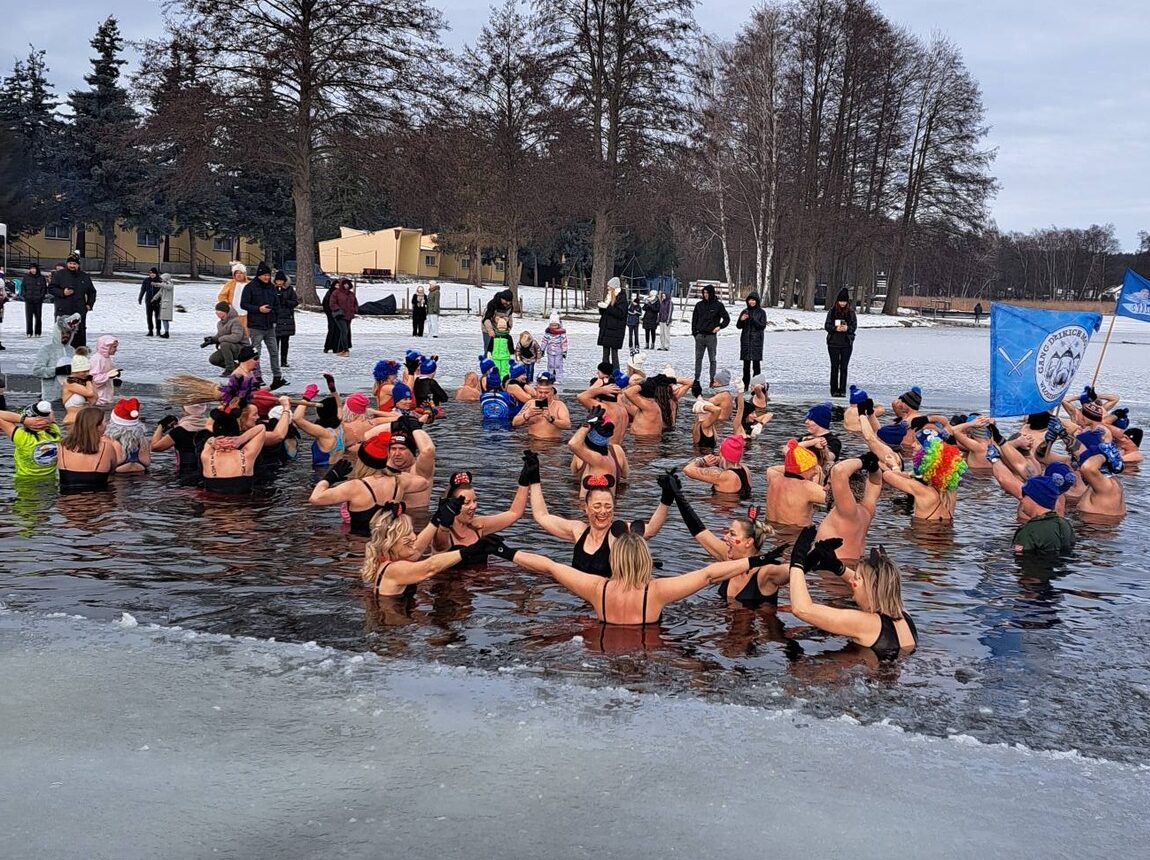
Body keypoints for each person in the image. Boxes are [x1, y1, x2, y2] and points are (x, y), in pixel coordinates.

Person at [495, 530, 780, 625]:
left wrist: (504, 551)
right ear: (645, 558)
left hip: (602, 650)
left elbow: (549, 566)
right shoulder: (656, 591)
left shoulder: (596, 588)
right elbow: (707, 575)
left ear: (614, 558)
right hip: (647, 655)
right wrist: (756, 560)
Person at [786, 527, 917, 661]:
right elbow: (881, 586)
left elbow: (801, 609)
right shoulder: (904, 615)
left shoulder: (866, 624)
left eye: (857, 578)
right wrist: (838, 567)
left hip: (870, 672)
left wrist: (797, 561)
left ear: (871, 588)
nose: (851, 580)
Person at [527, 468, 674, 577]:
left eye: (608, 506)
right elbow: (542, 516)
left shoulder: (618, 532)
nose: (603, 511)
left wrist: (666, 499)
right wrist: (534, 479)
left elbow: (651, 530)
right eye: (597, 506)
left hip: (607, 599)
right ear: (586, 508)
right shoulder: (578, 530)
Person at [670, 487, 790, 608]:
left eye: (732, 534)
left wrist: (798, 557)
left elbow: (791, 570)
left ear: (748, 542)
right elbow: (699, 531)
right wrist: (677, 494)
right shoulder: (728, 559)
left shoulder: (765, 572)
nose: (725, 537)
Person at [309, 433, 430, 537]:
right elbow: (424, 483)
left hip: (360, 549)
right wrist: (389, 470)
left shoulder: (355, 486)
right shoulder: (399, 482)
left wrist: (329, 478)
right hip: (388, 544)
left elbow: (315, 498)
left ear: (362, 461)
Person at [361, 504, 486, 597]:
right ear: (391, 542)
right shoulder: (394, 569)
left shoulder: (385, 562)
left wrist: (437, 518)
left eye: (412, 532)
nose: (414, 537)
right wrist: (471, 550)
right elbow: (431, 566)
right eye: (407, 535)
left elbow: (417, 549)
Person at [430, 468, 529, 551]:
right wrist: (444, 524)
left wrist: (524, 481)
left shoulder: (479, 525)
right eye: (466, 503)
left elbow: (514, 513)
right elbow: (440, 545)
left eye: (475, 501)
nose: (473, 506)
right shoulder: (441, 533)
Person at [815, 454, 883, 562]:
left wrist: (863, 461)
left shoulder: (847, 510)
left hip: (834, 568)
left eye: (829, 484)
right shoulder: (866, 510)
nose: (825, 488)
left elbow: (839, 470)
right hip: (852, 565)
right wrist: (873, 467)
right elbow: (875, 483)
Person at [241, 262, 288, 388]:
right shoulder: (250, 287)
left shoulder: (271, 288)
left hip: (269, 325)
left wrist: (274, 318)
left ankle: (277, 376)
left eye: (268, 275)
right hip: (256, 325)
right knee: (256, 353)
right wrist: (258, 309)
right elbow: (244, 304)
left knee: (274, 351)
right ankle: (257, 377)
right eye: (264, 275)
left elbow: (277, 305)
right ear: (259, 275)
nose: (267, 277)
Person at [200, 410, 266, 494]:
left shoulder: (206, 456)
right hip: (244, 501)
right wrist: (241, 439)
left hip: (211, 501)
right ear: (237, 431)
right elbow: (261, 428)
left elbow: (208, 440)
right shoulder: (247, 455)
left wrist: (213, 441)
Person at [765, 439, 826, 527]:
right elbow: (838, 499)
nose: (816, 471)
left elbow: (772, 468)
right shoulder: (807, 488)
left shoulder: (773, 477)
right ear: (803, 469)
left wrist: (792, 467)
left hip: (769, 530)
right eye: (813, 467)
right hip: (795, 533)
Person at [1010, 474, 1075, 554]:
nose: (1021, 498)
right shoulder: (1066, 524)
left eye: (1024, 495)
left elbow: (1020, 557)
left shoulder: (1029, 531)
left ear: (1034, 499)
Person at [57, 405, 117, 491]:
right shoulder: (106, 447)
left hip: (67, 497)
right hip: (99, 496)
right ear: (98, 426)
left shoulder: (62, 446)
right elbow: (112, 470)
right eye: (105, 421)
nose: (106, 425)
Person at [0, 400, 61, 480]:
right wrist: (45, 419)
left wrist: (23, 420)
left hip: (25, 481)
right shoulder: (55, 431)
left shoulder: (22, 437)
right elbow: (49, 410)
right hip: (51, 480)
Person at [682, 434, 754, 500]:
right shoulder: (746, 469)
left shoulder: (725, 476)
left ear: (722, 454)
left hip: (723, 509)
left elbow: (687, 469)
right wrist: (717, 459)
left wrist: (703, 460)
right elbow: (729, 462)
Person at [48, 253, 97, 348]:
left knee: (79, 337)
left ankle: (79, 354)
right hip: (63, 311)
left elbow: (92, 292)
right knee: (63, 337)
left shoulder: (84, 276)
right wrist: (63, 292)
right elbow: (51, 288)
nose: (72, 266)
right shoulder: (59, 275)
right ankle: (62, 355)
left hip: (79, 311)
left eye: (74, 264)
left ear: (78, 265)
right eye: (70, 263)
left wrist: (89, 304)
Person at [32, 314, 80, 402]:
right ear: (57, 332)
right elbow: (37, 371)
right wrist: (57, 370)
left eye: (68, 333)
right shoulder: (47, 350)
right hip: (51, 398)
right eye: (63, 333)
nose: (66, 335)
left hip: (70, 397)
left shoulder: (72, 350)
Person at [150, 404, 211, 473]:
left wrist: (161, 426)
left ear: (185, 410)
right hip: (208, 471)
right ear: (203, 410)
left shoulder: (179, 431)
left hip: (185, 472)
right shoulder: (212, 428)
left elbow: (155, 447)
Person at [511, 372, 570, 440]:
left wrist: (551, 419)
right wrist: (527, 415)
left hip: (552, 442)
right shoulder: (530, 403)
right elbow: (514, 423)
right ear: (536, 390)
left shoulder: (559, 405)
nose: (543, 395)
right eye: (540, 392)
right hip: (532, 441)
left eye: (546, 393)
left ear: (552, 392)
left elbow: (567, 425)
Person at [691, 283, 730, 383]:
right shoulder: (699, 305)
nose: (705, 295)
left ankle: (712, 380)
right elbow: (694, 320)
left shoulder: (718, 305)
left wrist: (720, 326)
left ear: (712, 293)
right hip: (700, 336)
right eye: (704, 293)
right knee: (698, 359)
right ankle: (696, 379)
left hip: (711, 337)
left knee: (712, 359)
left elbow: (727, 319)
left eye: (707, 293)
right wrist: (695, 333)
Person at [103, 397, 151, 474]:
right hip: (141, 471)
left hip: (118, 473)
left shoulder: (109, 441)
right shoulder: (144, 441)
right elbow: (148, 462)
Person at [203, 302, 250, 376]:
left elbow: (236, 337)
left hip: (242, 349)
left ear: (225, 312)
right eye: (216, 311)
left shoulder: (235, 321)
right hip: (229, 348)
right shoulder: (220, 323)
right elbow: (219, 336)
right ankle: (239, 368)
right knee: (213, 359)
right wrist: (212, 340)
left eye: (219, 311)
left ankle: (230, 370)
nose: (216, 313)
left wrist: (220, 339)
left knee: (225, 344)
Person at [824, 288, 856, 397]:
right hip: (833, 343)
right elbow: (827, 325)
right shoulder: (832, 312)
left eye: (844, 301)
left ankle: (842, 390)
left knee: (844, 367)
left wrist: (847, 328)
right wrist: (835, 328)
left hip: (846, 343)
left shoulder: (851, 313)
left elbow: (854, 326)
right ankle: (834, 390)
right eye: (841, 301)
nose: (842, 303)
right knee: (834, 367)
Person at [736, 292, 767, 389]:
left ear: (757, 301)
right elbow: (738, 326)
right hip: (746, 341)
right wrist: (741, 319)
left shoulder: (761, 312)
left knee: (756, 365)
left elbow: (762, 326)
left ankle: (756, 386)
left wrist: (752, 319)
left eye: (753, 300)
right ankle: (745, 385)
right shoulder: (744, 311)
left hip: (757, 341)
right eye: (750, 300)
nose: (751, 302)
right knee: (746, 365)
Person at [596, 278, 627, 371]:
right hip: (606, 328)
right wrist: (601, 307)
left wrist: (608, 307)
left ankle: (616, 372)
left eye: (609, 286)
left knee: (614, 353)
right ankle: (605, 372)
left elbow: (621, 313)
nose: (608, 288)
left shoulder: (621, 297)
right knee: (605, 353)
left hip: (615, 330)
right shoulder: (609, 296)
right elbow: (605, 313)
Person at [60, 354, 97, 425]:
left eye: (88, 371)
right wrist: (88, 381)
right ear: (76, 371)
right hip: (71, 422)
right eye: (84, 371)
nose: (87, 374)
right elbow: (89, 393)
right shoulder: (69, 382)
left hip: (83, 421)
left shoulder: (83, 382)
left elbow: (93, 401)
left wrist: (92, 383)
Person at [274, 271, 298, 368]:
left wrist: (285, 301)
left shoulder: (289, 289)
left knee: (285, 342)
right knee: (275, 342)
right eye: (277, 281)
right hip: (275, 318)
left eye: (281, 281)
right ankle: (275, 360)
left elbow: (295, 302)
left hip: (286, 319)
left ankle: (284, 360)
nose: (279, 282)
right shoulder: (272, 289)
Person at [89, 336, 122, 407]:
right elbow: (93, 379)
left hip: (106, 396)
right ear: (106, 347)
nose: (116, 350)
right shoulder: (97, 359)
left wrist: (113, 375)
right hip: (99, 398)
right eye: (114, 347)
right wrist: (108, 376)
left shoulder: (106, 358)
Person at [217, 261, 249, 334]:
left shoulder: (249, 284)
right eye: (236, 273)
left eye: (241, 273)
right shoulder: (230, 284)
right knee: (233, 331)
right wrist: (227, 305)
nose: (239, 275)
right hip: (233, 313)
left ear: (244, 274)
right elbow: (222, 296)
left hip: (247, 314)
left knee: (245, 332)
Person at [481, 289, 514, 354]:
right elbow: (486, 319)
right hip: (488, 329)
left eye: (509, 301)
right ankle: (486, 359)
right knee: (489, 349)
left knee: (500, 349)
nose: (508, 303)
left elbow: (510, 318)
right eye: (506, 301)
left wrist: (508, 328)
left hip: (501, 329)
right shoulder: (492, 304)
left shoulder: (510, 307)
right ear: (502, 298)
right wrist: (490, 330)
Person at [539, 312, 568, 382]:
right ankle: (550, 377)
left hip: (559, 351)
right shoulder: (548, 333)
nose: (553, 326)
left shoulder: (561, 333)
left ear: (558, 325)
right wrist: (542, 349)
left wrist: (564, 351)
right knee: (550, 365)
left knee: (558, 365)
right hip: (550, 351)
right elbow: (544, 341)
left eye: (555, 325)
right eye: (552, 325)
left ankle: (558, 378)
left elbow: (564, 342)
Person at [23, 263, 48, 337]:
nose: (33, 270)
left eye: (34, 268)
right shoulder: (26, 277)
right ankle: (29, 332)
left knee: (38, 317)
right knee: (29, 317)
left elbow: (44, 288)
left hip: (38, 301)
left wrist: (41, 297)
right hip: (29, 300)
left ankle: (38, 332)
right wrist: (25, 295)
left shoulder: (41, 278)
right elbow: (23, 287)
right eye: (31, 268)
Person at [139, 267, 162, 336]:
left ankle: (158, 331)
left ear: (156, 274)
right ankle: (150, 331)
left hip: (157, 301)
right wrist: (140, 298)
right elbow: (143, 290)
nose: (152, 274)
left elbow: (163, 291)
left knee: (158, 317)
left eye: (153, 273)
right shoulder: (146, 280)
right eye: (150, 273)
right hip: (148, 301)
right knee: (149, 316)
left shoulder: (160, 280)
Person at [490, 313, 513, 380]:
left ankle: (504, 381)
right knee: (496, 369)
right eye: (500, 327)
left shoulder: (508, 337)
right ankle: (496, 381)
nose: (502, 329)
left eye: (503, 327)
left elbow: (510, 346)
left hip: (505, 357)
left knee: (505, 370)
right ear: (497, 327)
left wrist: (512, 354)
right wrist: (489, 351)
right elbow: (491, 345)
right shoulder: (494, 336)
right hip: (495, 356)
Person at [322, 280, 338, 353]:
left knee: (337, 330)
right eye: (336, 285)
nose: (337, 287)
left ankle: (335, 347)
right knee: (331, 329)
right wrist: (328, 312)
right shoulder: (330, 292)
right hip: (331, 313)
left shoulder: (341, 293)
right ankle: (327, 346)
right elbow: (325, 303)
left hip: (338, 314)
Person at [157, 273, 175, 338]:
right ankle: (166, 332)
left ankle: (166, 333)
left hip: (167, 305)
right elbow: (160, 293)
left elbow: (168, 287)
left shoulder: (170, 284)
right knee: (164, 319)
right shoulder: (164, 284)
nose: (161, 280)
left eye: (162, 279)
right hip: (164, 304)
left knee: (165, 319)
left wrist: (159, 284)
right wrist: (153, 299)